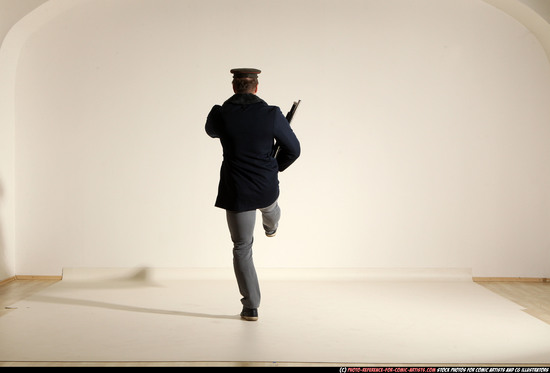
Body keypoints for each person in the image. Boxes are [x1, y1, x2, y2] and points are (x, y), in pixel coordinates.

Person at [205, 68, 301, 321]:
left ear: (235, 87)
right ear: (256, 88)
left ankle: (251, 307)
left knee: (242, 247)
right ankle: (272, 227)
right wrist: (274, 168)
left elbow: (212, 131)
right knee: (271, 210)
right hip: (265, 185)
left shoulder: (220, 113)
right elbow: (293, 149)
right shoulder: (271, 114)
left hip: (237, 189)